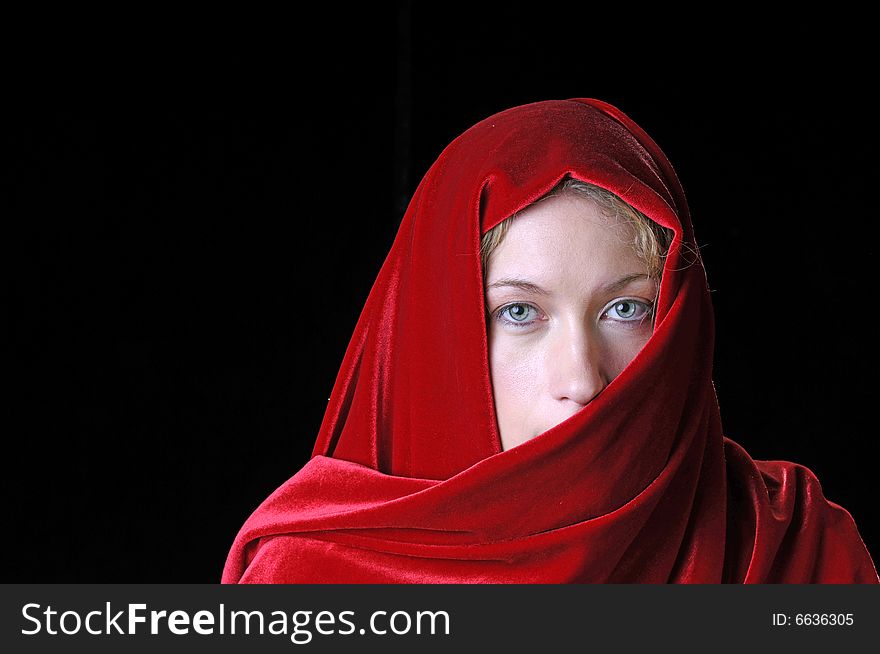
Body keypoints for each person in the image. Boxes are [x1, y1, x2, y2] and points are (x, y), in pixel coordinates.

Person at [221, 98, 879, 583]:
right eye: (520, 313)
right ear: (435, 339)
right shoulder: (308, 580)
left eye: (626, 308)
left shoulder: (799, 554)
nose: (582, 378)